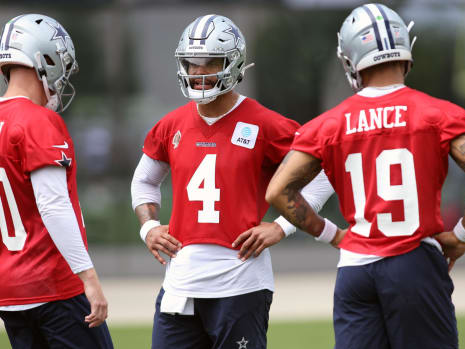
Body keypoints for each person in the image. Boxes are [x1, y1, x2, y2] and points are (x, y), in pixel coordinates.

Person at [265, 4, 465, 349]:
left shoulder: (328, 124)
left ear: (351, 59)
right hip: (414, 262)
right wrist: (464, 234)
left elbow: (278, 191)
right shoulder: (438, 114)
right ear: (406, 50)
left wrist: (331, 234)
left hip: (355, 271)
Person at [131, 14, 335, 349]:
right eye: (191, 63)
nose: (198, 72)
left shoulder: (266, 124)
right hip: (180, 283)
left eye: (209, 62)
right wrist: (148, 227)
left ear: (233, 62)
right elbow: (144, 182)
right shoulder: (170, 125)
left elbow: (325, 171)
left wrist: (283, 226)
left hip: (240, 281)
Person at [0, 14, 113, 348]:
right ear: (45, 59)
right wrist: (89, 276)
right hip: (55, 288)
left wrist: (11, 262)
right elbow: (53, 205)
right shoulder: (40, 121)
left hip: (8, 292)